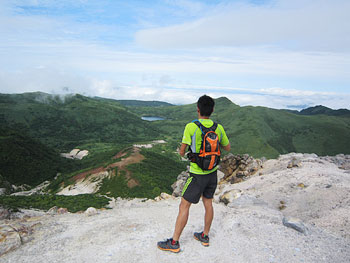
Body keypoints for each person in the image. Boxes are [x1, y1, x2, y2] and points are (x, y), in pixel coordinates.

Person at [157, 95, 231, 253]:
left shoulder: (191, 127)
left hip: (197, 175)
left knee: (184, 205)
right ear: (212, 110)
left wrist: (185, 152)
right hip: (212, 173)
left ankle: (174, 242)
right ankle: (205, 236)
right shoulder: (219, 127)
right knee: (208, 203)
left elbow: (182, 152)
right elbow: (227, 148)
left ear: (198, 109)